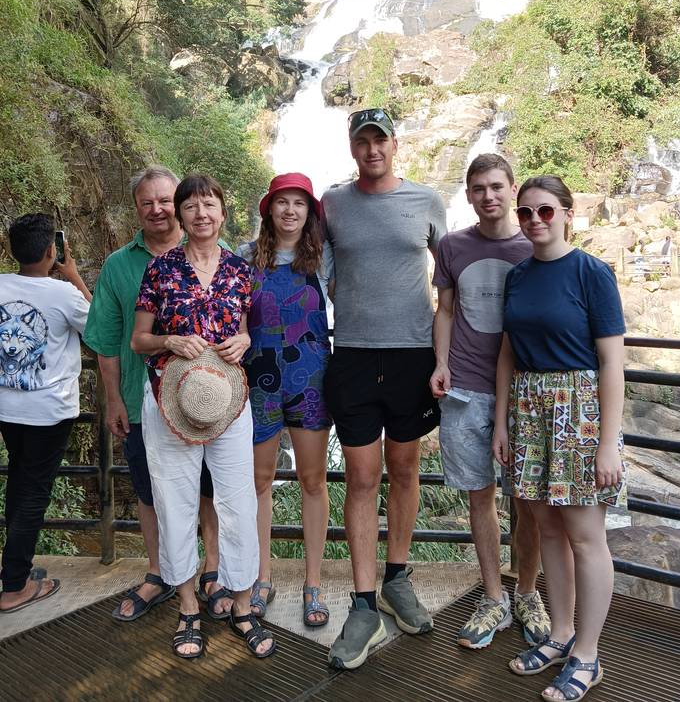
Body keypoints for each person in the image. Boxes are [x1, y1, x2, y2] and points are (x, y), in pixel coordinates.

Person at [493, 175, 626, 702]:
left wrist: (608, 441)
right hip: (529, 408)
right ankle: (561, 634)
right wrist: (502, 422)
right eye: (525, 214)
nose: (534, 222)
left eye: (545, 211)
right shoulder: (519, 275)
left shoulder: (592, 272)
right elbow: (507, 352)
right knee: (546, 529)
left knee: (586, 536)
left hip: (579, 410)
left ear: (568, 213)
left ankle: (588, 656)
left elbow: (613, 361)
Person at [322, 107, 447, 670]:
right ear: (352, 148)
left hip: (412, 357)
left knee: (404, 470)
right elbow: (316, 267)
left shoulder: (427, 201)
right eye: (362, 142)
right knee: (361, 477)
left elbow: (451, 277)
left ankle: (398, 578)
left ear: (395, 144)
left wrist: (451, 356)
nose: (371, 150)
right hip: (350, 354)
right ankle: (364, 602)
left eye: (380, 140)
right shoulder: (334, 204)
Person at [131, 174, 274, 660]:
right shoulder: (161, 269)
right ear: (180, 214)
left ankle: (241, 604)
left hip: (228, 403)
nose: (200, 214)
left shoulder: (239, 269)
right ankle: (188, 606)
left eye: (209, 205)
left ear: (222, 211)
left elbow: (245, 329)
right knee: (175, 501)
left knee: (237, 502)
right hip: (172, 402)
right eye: (190, 206)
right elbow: (139, 340)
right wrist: (170, 340)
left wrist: (246, 340)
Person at [84, 166, 231, 622]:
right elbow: (107, 340)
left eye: (165, 200)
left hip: (207, 405)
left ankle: (212, 570)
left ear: (182, 203)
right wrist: (114, 399)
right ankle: (158, 571)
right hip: (141, 398)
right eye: (147, 202)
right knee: (150, 492)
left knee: (207, 490)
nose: (157, 209)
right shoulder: (118, 265)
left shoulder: (218, 257)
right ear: (136, 209)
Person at [430, 154, 550, 650]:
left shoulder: (537, 244)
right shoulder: (453, 246)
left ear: (512, 188)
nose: (488, 196)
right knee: (479, 494)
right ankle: (493, 595)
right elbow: (446, 310)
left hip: (526, 389)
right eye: (478, 188)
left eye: (497, 186)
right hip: (466, 386)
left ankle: (527, 591)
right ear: (468, 193)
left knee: (528, 499)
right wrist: (440, 363)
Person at [238, 172, 333, 627]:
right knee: (260, 480)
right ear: (268, 209)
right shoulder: (243, 259)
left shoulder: (323, 259)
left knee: (313, 480)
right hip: (259, 382)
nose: (290, 210)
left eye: (299, 203)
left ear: (310, 211)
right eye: (282, 202)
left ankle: (313, 583)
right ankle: (262, 576)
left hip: (311, 380)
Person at [0, 214, 91, 612]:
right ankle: (14, 586)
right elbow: (100, 326)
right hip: (48, 412)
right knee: (33, 493)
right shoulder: (63, 294)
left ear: (11, 250)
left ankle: (12, 571)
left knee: (19, 483)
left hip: (6, 409)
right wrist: (73, 277)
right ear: (53, 251)